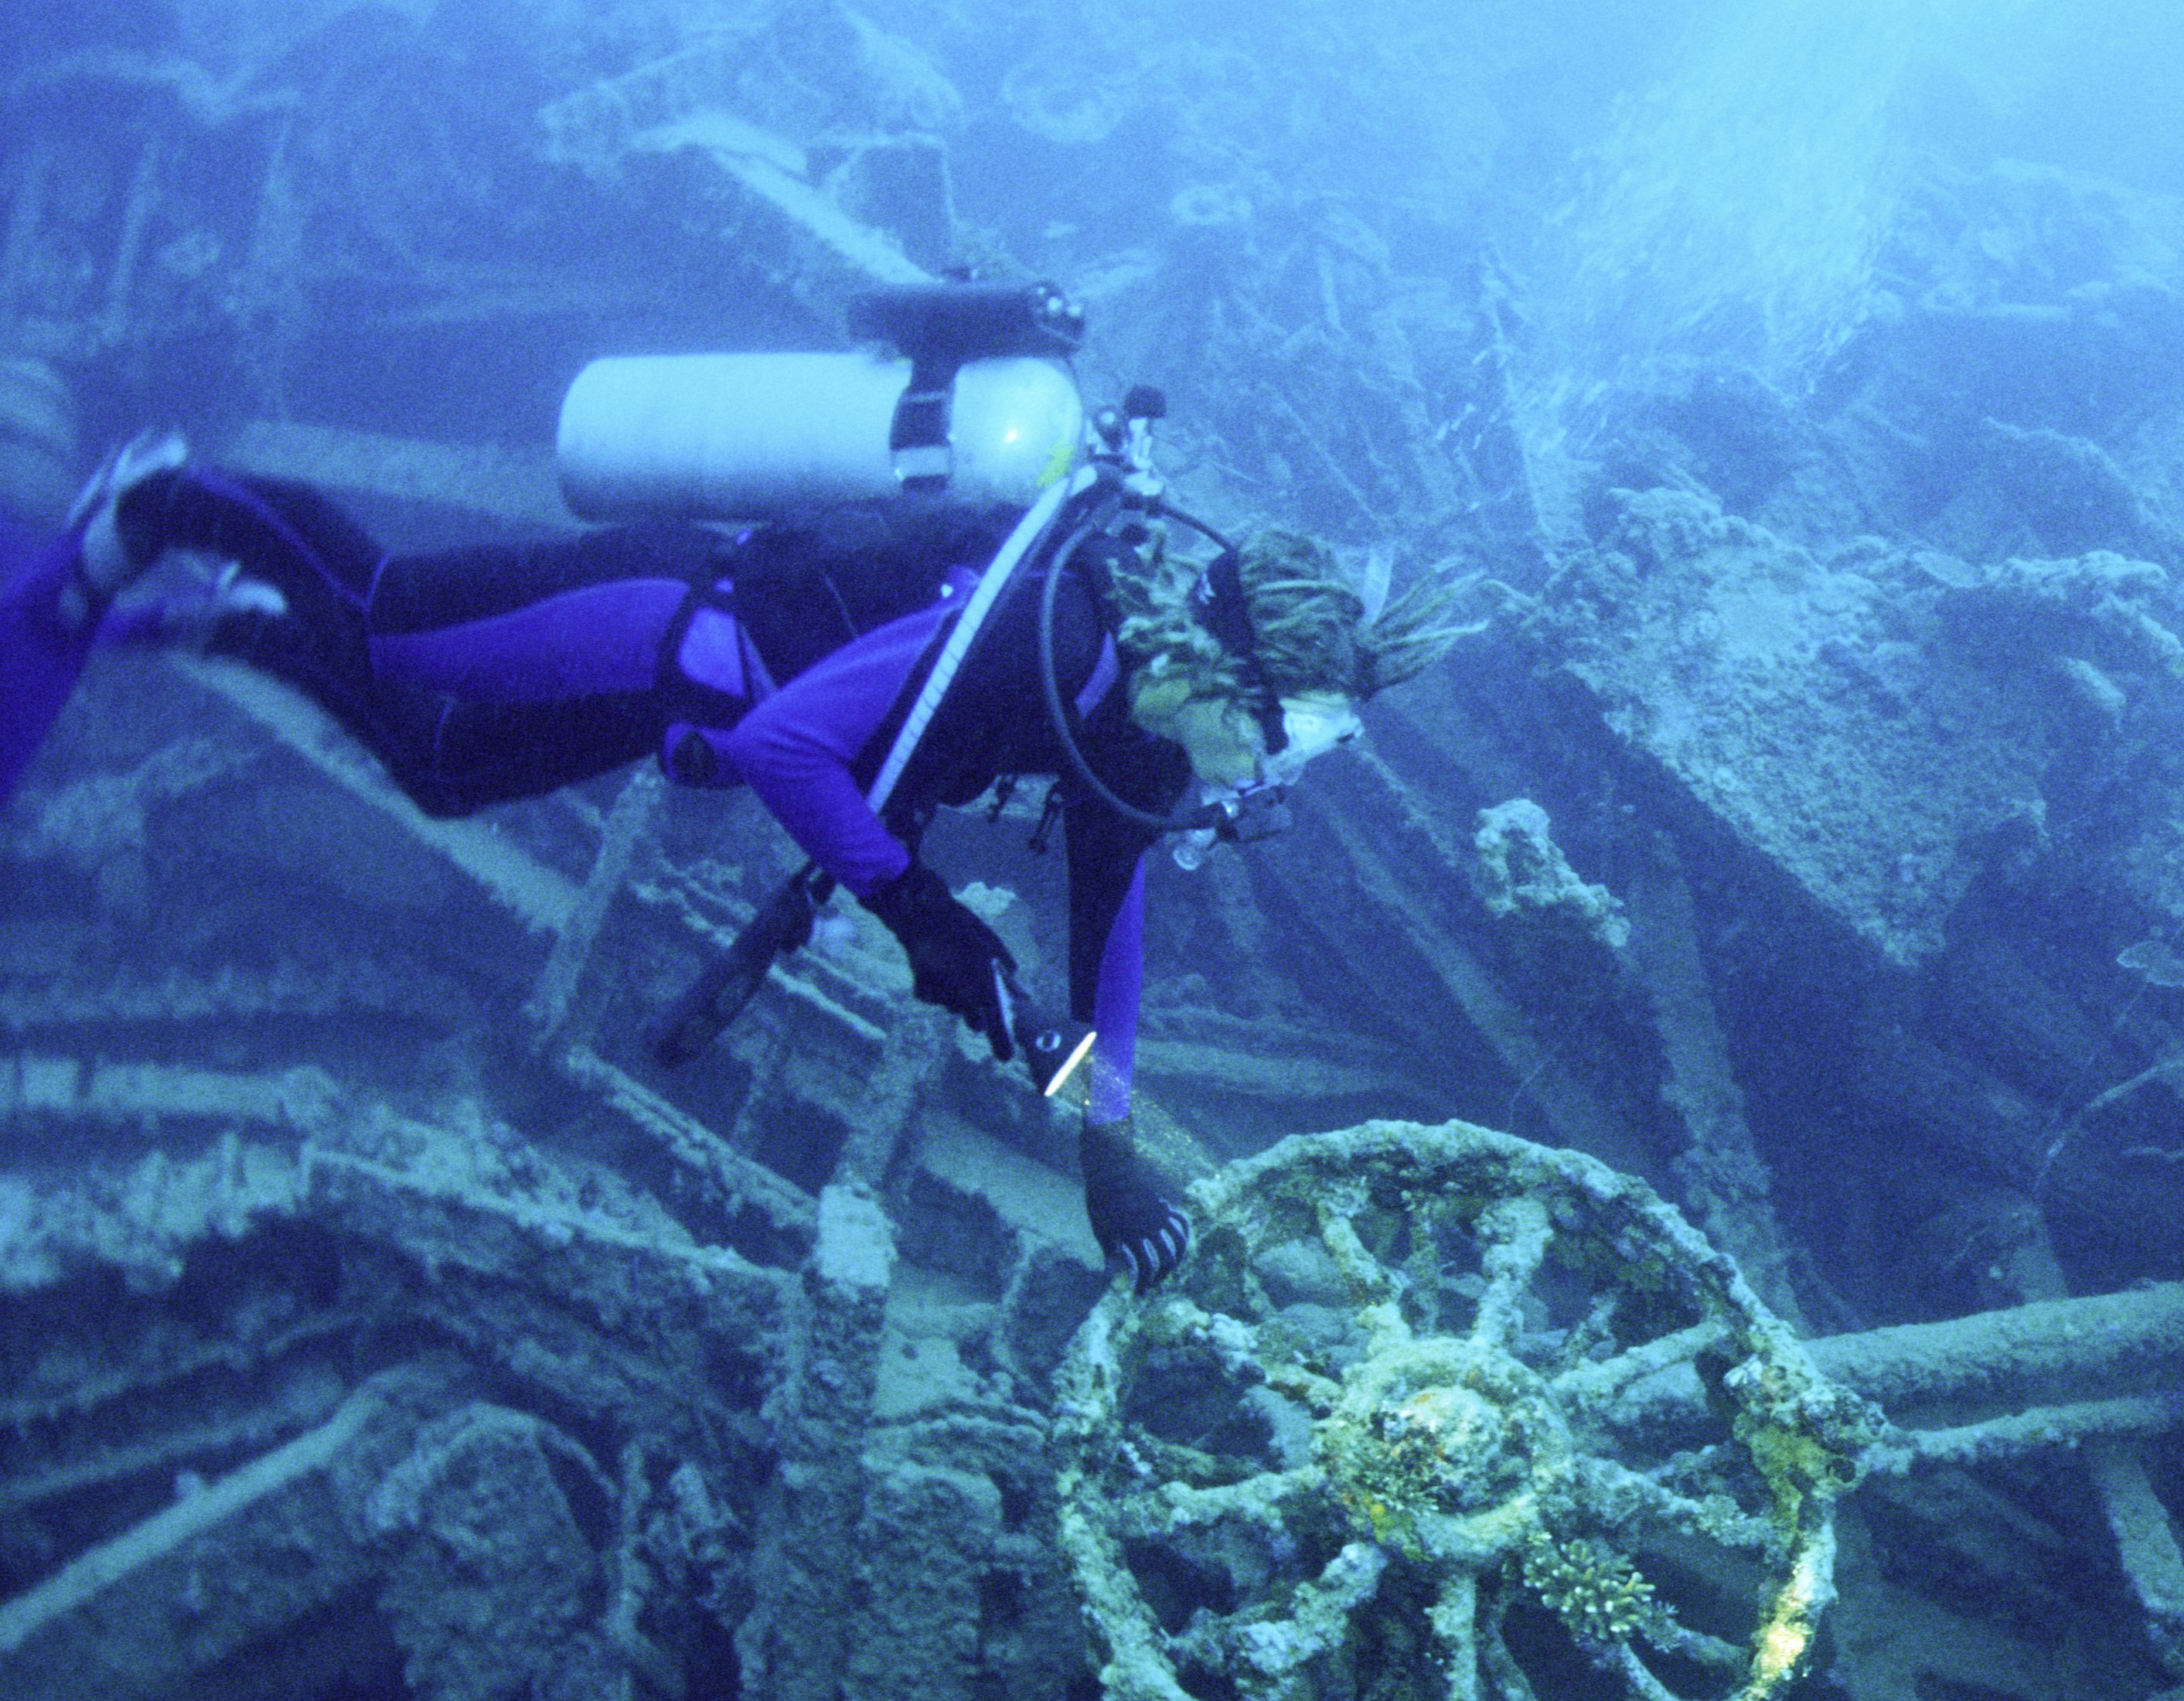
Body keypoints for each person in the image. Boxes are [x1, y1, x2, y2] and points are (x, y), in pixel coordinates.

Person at [2, 433, 1455, 1285]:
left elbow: (1107, 945)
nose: (1282, 775)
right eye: (1301, 739)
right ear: (1228, 675)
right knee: (385, 618)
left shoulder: (1136, 745)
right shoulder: (1054, 638)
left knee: (444, 775)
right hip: (664, 623)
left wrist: (1109, 1138)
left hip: (679, 708)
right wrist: (925, 917)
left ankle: (244, 623)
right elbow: (789, 749)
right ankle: (164, 499)